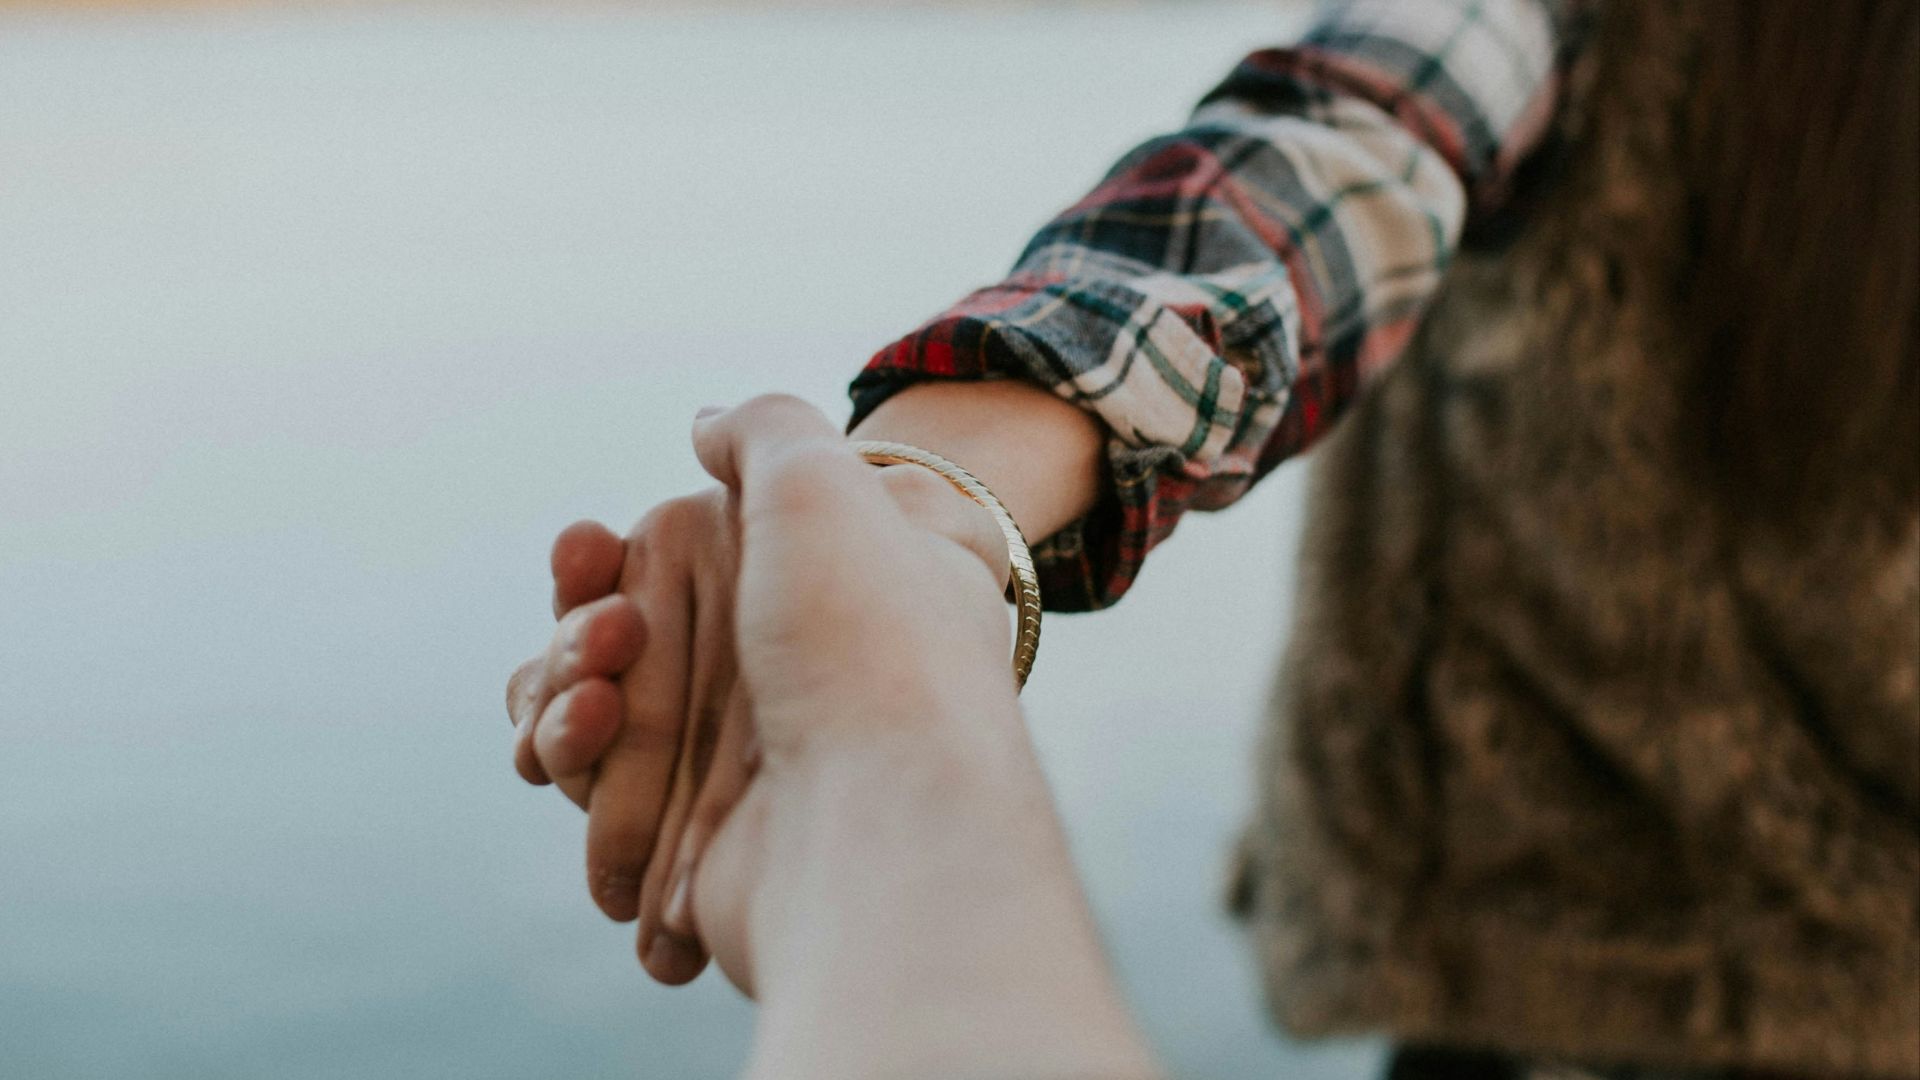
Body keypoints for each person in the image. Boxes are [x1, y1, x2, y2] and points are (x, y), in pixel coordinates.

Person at [504, 0, 1920, 1076]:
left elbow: (1333, 149)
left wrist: (897, 691)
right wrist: (926, 505)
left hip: (1538, 972)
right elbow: (1321, 157)